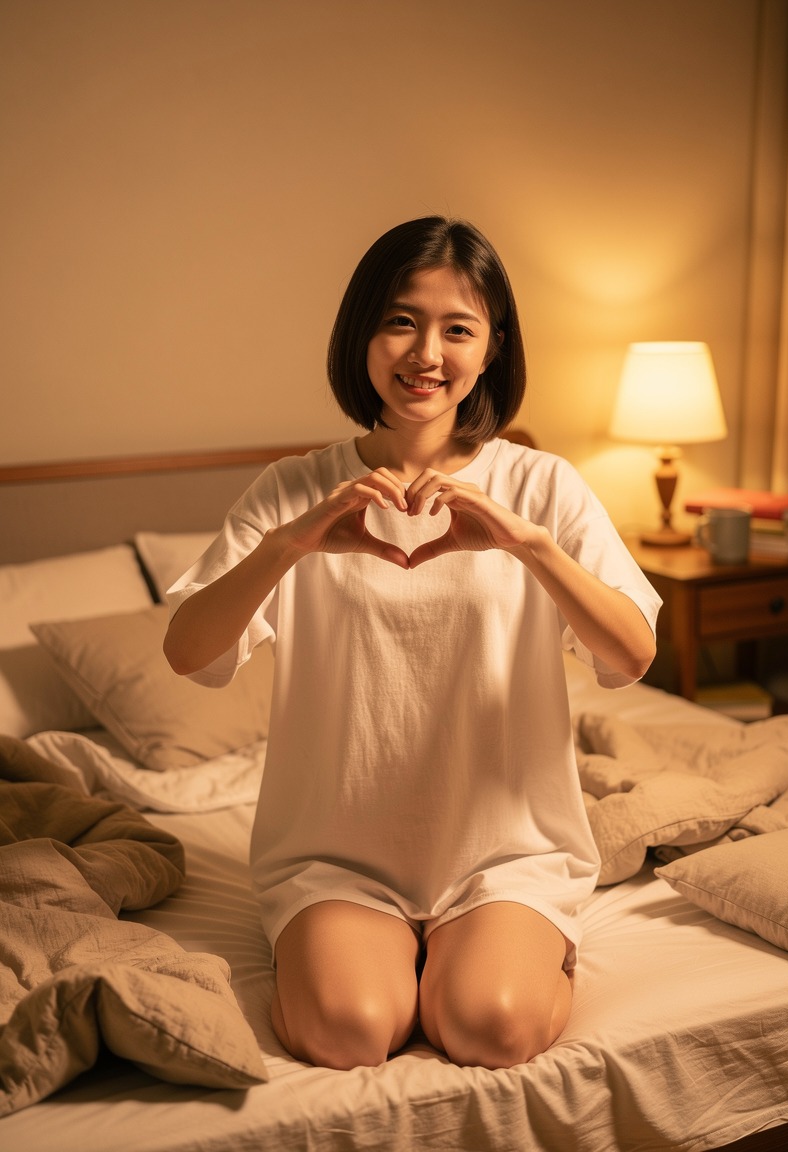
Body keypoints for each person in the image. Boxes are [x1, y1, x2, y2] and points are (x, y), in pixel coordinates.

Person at [164, 216, 661, 1072]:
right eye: (401, 321)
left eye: (457, 329)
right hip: (334, 854)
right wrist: (290, 545)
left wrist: (529, 546)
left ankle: (509, 957)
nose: (426, 353)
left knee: (487, 1027)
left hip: (506, 851)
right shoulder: (294, 488)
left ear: (492, 348)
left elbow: (632, 655)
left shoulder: (540, 485)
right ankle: (379, 961)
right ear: (363, 333)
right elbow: (188, 652)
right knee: (347, 1032)